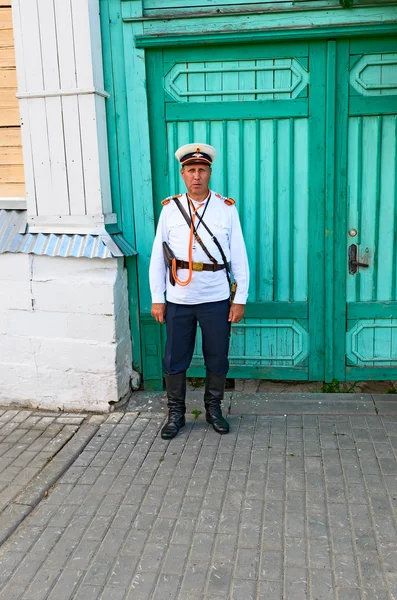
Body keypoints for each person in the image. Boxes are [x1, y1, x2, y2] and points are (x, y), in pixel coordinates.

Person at [149, 143, 250, 440]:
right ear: (182, 174)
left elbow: (239, 255)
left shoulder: (225, 209)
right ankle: (176, 414)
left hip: (216, 297)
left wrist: (240, 298)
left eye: (202, 170)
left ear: (209, 173)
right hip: (179, 298)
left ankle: (214, 410)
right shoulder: (170, 210)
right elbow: (158, 256)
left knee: (217, 356)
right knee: (174, 358)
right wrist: (158, 298)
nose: (196, 176)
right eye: (191, 170)